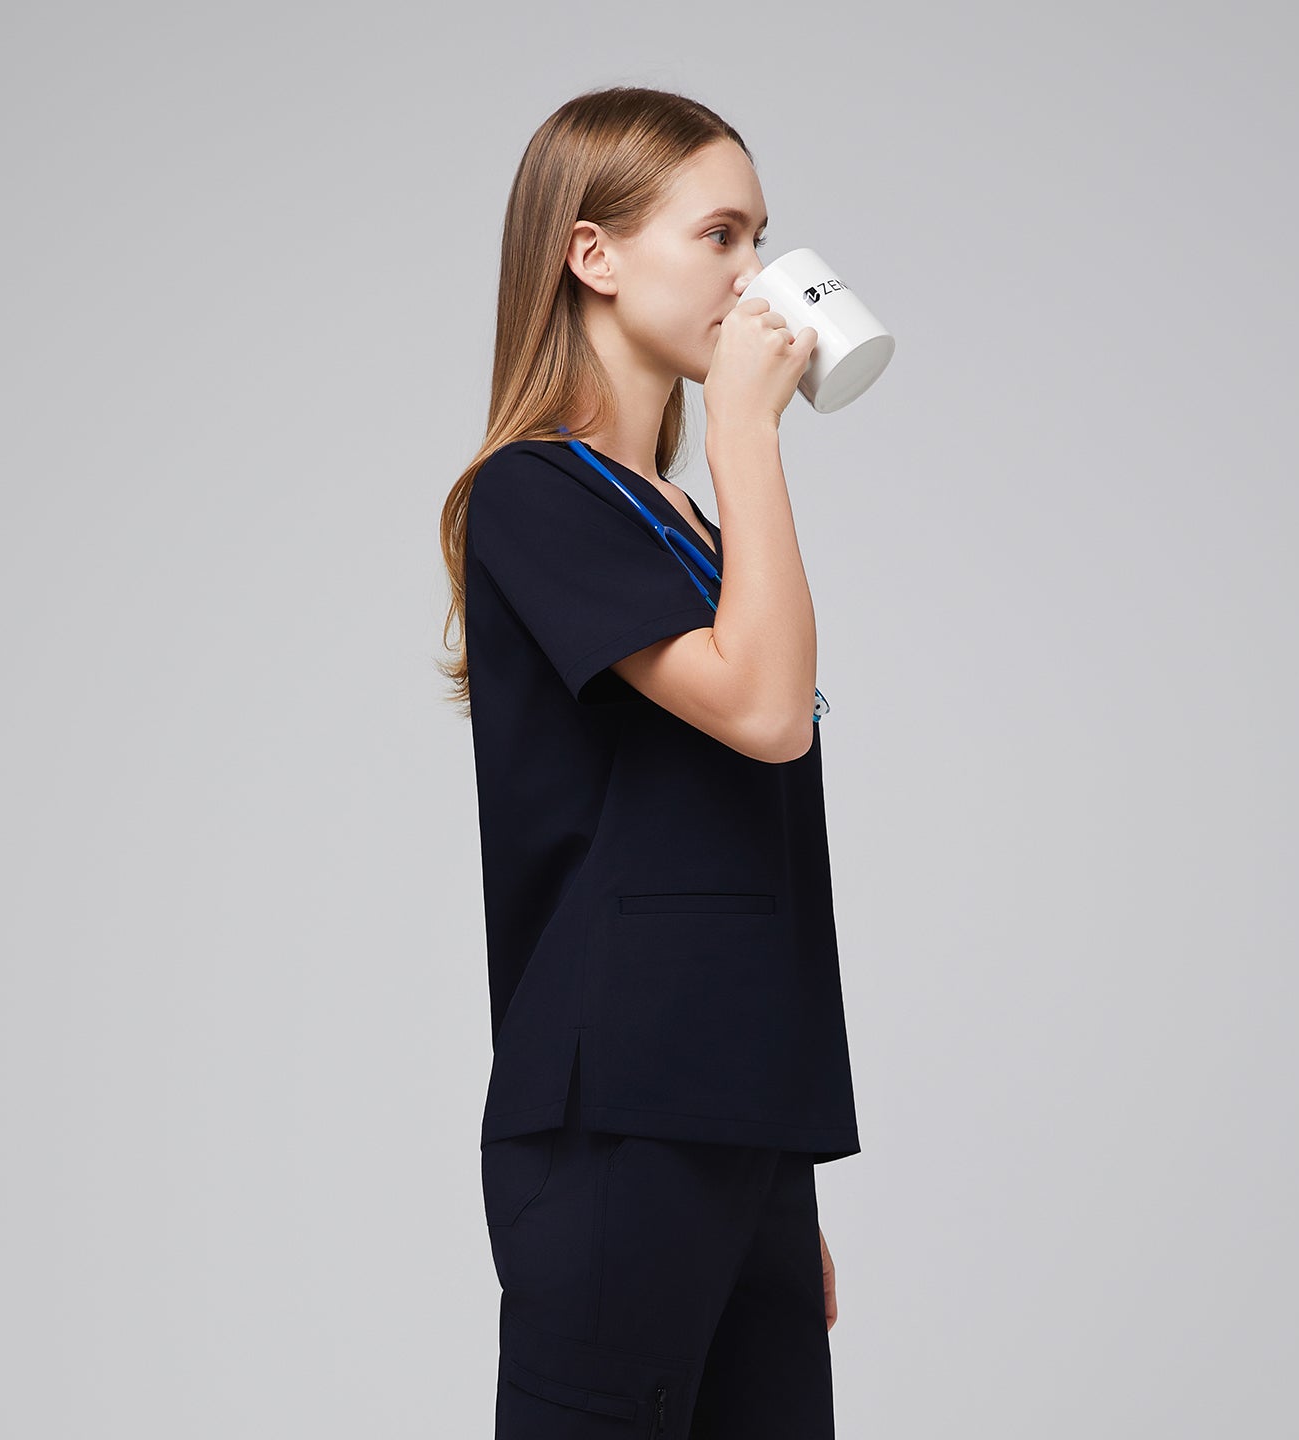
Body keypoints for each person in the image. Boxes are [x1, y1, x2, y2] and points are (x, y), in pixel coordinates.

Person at [437, 85, 862, 1439]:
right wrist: (746, 429)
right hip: (618, 1114)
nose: (754, 281)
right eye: (721, 236)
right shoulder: (530, 491)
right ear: (593, 255)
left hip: (737, 1119)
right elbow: (764, 709)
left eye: (761, 240)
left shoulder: (680, 522)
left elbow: (745, 814)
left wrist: (775, 1179)